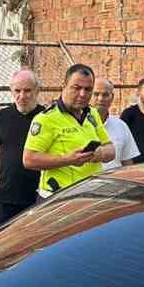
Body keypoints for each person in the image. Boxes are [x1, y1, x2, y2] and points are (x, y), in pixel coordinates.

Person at [23, 63, 114, 197]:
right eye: (76, 88)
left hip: (91, 194)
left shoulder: (92, 114)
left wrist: (97, 154)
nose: (82, 94)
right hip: (59, 197)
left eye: (88, 89)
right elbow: (29, 160)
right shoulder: (46, 118)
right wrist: (68, 159)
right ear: (64, 86)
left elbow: (111, 150)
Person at [0, 69, 44, 227]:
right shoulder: (1, 116)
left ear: (37, 91)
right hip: (5, 197)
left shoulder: (46, 117)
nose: (22, 96)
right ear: (11, 91)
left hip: (37, 196)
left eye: (27, 91)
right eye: (17, 91)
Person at [94, 78, 140, 172]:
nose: (100, 98)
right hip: (85, 185)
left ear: (112, 97)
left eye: (105, 95)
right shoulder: (77, 124)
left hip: (114, 184)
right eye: (96, 94)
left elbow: (127, 162)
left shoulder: (121, 126)